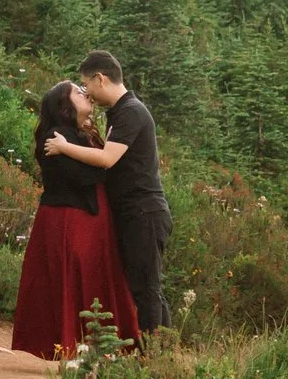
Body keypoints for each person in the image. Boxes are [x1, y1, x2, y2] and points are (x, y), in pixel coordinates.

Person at [9, 80, 141, 360]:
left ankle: (101, 345)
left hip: (88, 216)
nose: (86, 94)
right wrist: (101, 162)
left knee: (95, 275)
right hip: (70, 218)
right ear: (65, 105)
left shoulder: (78, 135)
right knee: (72, 277)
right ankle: (70, 345)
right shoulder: (57, 136)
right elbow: (89, 176)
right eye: (78, 92)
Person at [42, 50, 172, 333]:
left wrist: (64, 147)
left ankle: (156, 357)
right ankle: (157, 352)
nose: (87, 92)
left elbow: (106, 159)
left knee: (147, 289)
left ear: (100, 78)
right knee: (139, 287)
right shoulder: (119, 112)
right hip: (131, 212)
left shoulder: (132, 112)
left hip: (144, 211)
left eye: (86, 84)